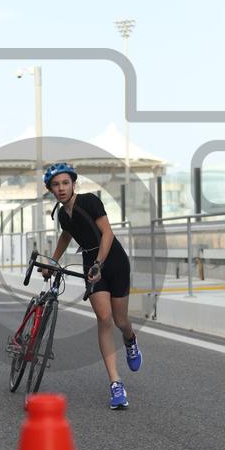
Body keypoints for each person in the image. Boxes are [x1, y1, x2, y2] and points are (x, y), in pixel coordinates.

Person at [41, 162, 142, 410]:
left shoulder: (89, 201)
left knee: (120, 320)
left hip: (113, 261)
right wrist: (52, 261)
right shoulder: (62, 214)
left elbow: (107, 233)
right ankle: (115, 383)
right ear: (51, 189)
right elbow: (66, 235)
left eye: (65, 183)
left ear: (73, 184)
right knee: (104, 318)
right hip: (91, 263)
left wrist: (99, 264)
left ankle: (130, 340)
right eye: (56, 185)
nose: (61, 188)